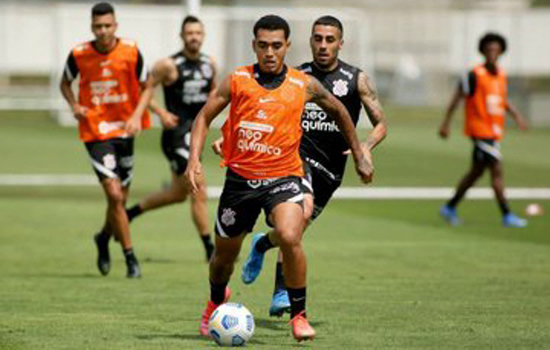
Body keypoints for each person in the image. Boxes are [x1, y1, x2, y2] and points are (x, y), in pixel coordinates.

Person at [186, 15, 373, 342]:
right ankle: (216, 300)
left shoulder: (303, 84)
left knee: (290, 233)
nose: (269, 52)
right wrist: (193, 161)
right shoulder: (238, 79)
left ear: (287, 46)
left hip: (284, 178)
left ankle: (299, 316)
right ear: (254, 46)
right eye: (263, 46)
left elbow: (341, 112)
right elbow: (203, 117)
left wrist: (359, 153)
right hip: (240, 183)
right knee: (223, 260)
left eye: (276, 46)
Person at [234, 15, 387, 317]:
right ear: (310, 42)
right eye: (318, 39)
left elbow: (381, 124)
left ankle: (263, 244)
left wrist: (365, 149)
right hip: (294, 159)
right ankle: (283, 292)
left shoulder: (357, 80)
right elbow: (262, 109)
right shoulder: (296, 76)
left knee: (294, 229)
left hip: (331, 170)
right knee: (301, 211)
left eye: (330, 40)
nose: (323, 45)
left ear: (341, 43)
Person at [59, 2, 149, 278]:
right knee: (113, 193)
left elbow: (147, 87)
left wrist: (136, 115)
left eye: (107, 25)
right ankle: (130, 257)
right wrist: (74, 104)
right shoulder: (79, 54)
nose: (103, 31)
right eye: (98, 26)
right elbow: (64, 82)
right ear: (91, 27)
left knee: (120, 199)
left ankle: (102, 238)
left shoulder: (131, 51)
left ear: (115, 26)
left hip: (125, 131)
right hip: (96, 132)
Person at [125, 15, 217, 261]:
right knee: (199, 189)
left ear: (204, 35)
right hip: (176, 137)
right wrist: (161, 112)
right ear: (182, 36)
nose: (194, 37)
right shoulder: (169, 65)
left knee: (178, 193)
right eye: (189, 33)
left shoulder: (210, 64)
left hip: (196, 137)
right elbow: (143, 90)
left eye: (198, 33)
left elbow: (215, 98)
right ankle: (211, 248)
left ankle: (130, 213)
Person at [438, 32, 528, 227]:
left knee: (476, 173)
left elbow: (502, 100)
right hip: (480, 131)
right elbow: (457, 97)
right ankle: (507, 215)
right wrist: (446, 123)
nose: (492, 53)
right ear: (482, 51)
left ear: (501, 52)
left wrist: (517, 115)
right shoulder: (474, 75)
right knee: (497, 170)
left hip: (494, 132)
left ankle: (450, 207)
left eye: (496, 49)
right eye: (488, 50)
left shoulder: (501, 75)